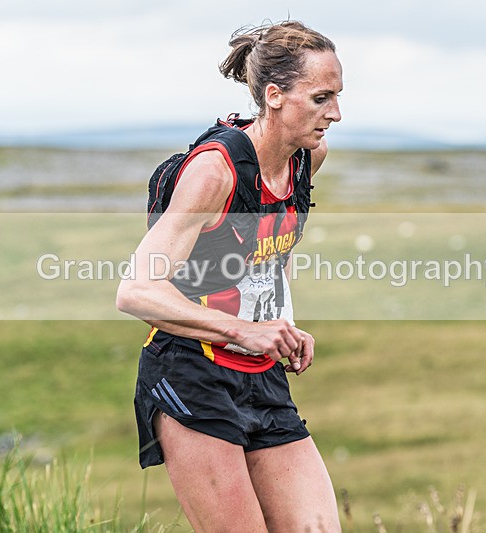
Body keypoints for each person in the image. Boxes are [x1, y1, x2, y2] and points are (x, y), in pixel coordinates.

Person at [116, 20, 343, 532]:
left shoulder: (307, 159)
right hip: (190, 372)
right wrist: (244, 329)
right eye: (321, 97)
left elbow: (265, 251)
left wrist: (280, 323)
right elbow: (135, 290)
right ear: (275, 95)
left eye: (338, 97)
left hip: (262, 373)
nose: (336, 114)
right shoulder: (215, 170)